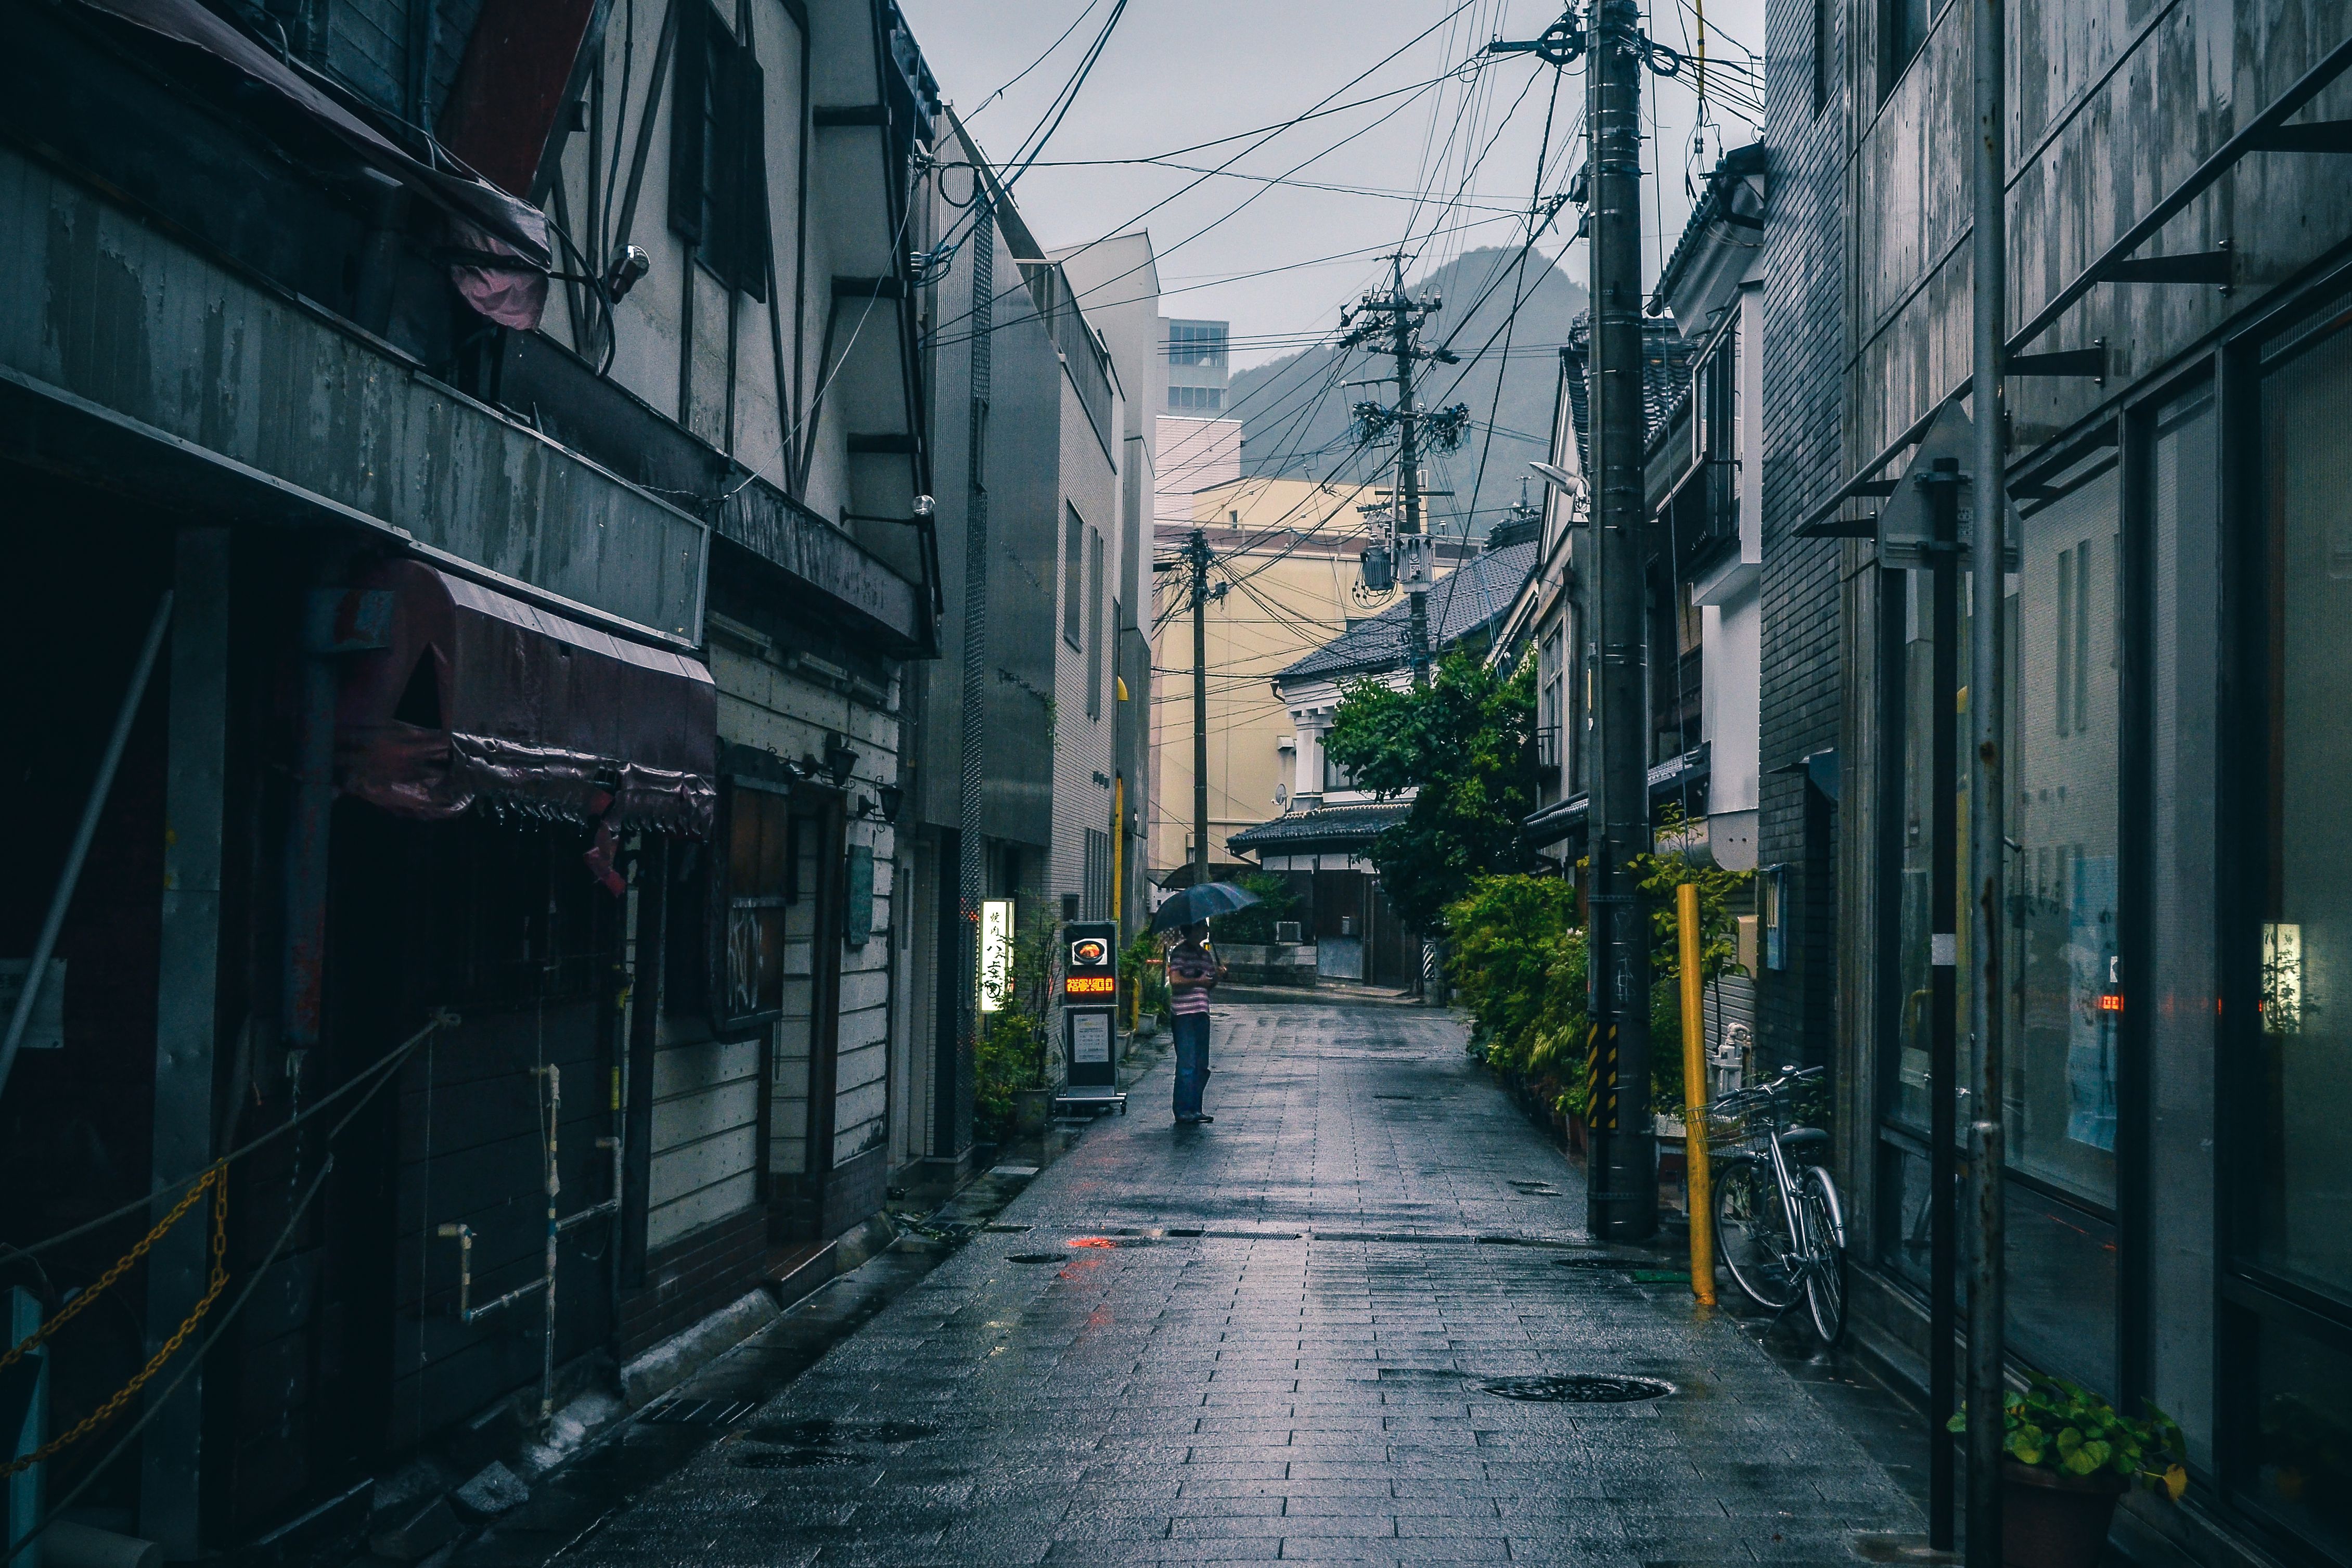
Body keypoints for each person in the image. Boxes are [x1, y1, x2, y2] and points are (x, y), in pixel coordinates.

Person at [1165, 920, 1222, 1124]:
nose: (1207, 931)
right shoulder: (1179, 953)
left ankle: (1196, 1108)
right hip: (1183, 1014)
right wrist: (1198, 981)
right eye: (1203, 928)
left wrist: (1217, 977)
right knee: (1187, 1062)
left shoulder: (1205, 955)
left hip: (1202, 1012)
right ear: (1194, 930)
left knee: (1201, 1064)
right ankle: (1183, 1110)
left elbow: (1208, 986)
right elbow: (1175, 981)